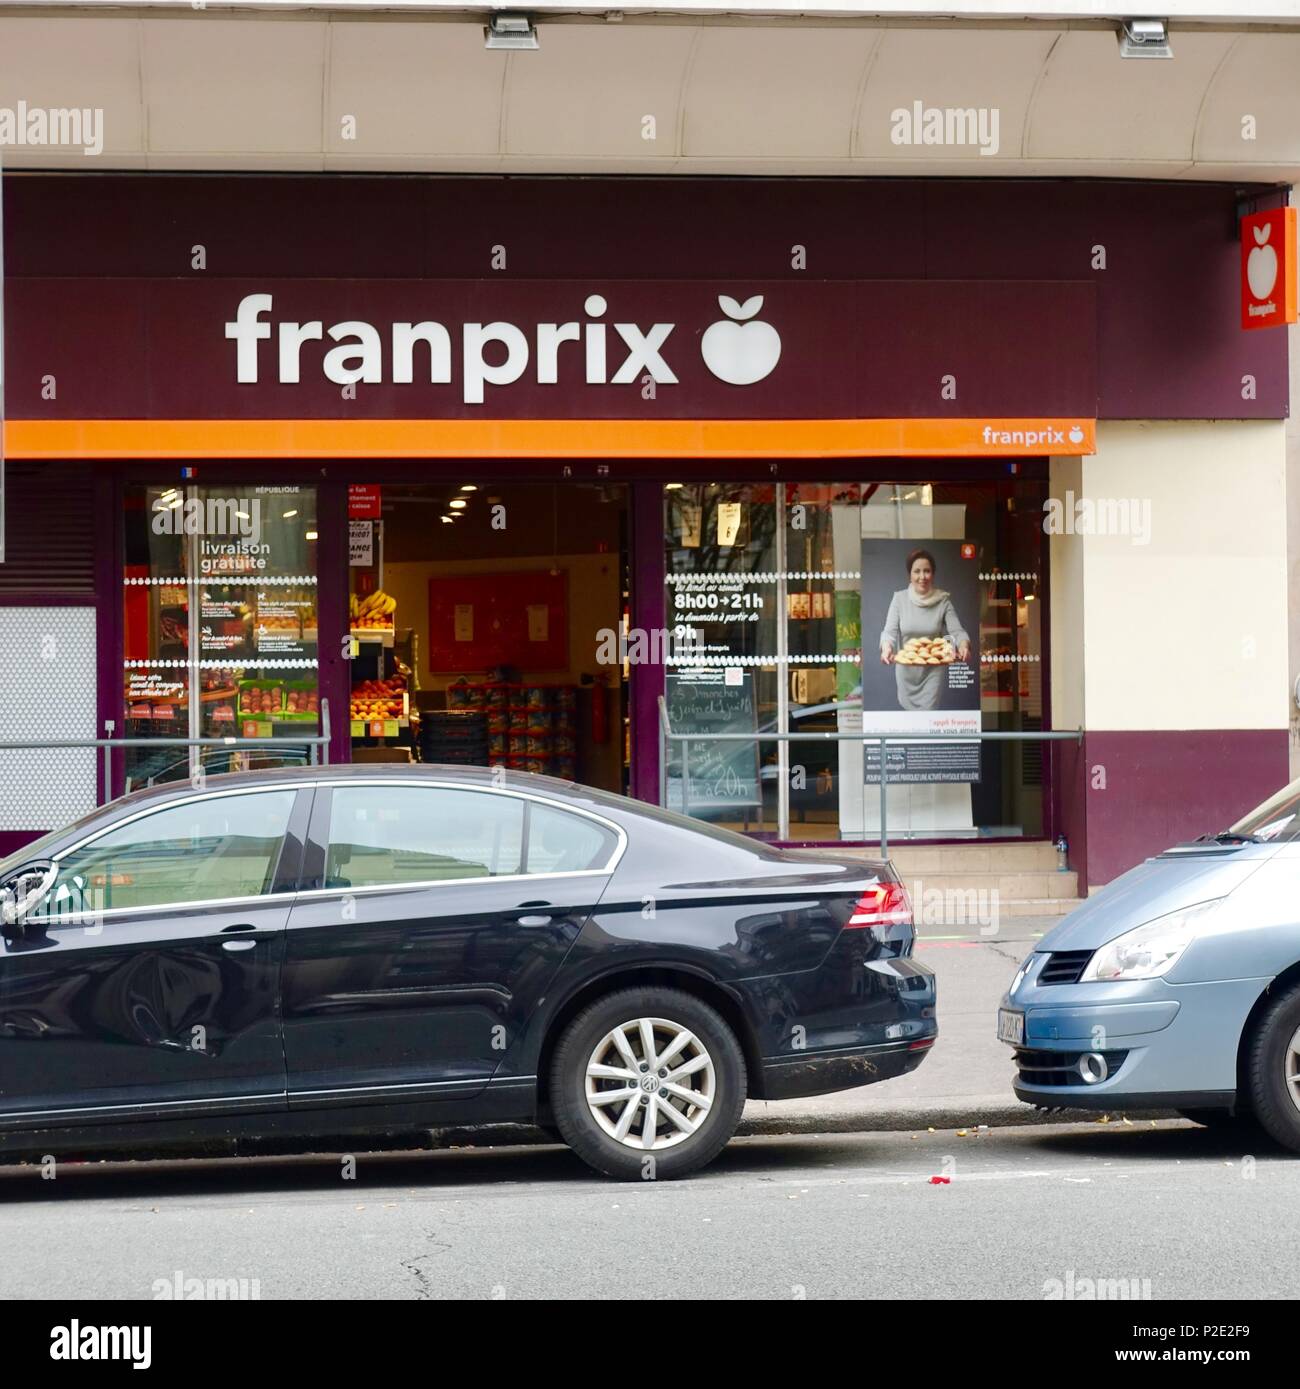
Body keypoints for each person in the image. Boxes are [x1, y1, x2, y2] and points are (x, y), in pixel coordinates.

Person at [878, 548, 971, 711]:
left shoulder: (943, 601)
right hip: (906, 671)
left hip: (933, 671)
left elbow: (957, 630)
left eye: (927, 571)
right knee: (911, 723)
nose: (922, 577)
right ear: (910, 575)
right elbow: (889, 631)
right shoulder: (899, 599)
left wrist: (963, 645)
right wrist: (886, 648)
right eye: (917, 571)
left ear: (933, 574)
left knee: (928, 717)